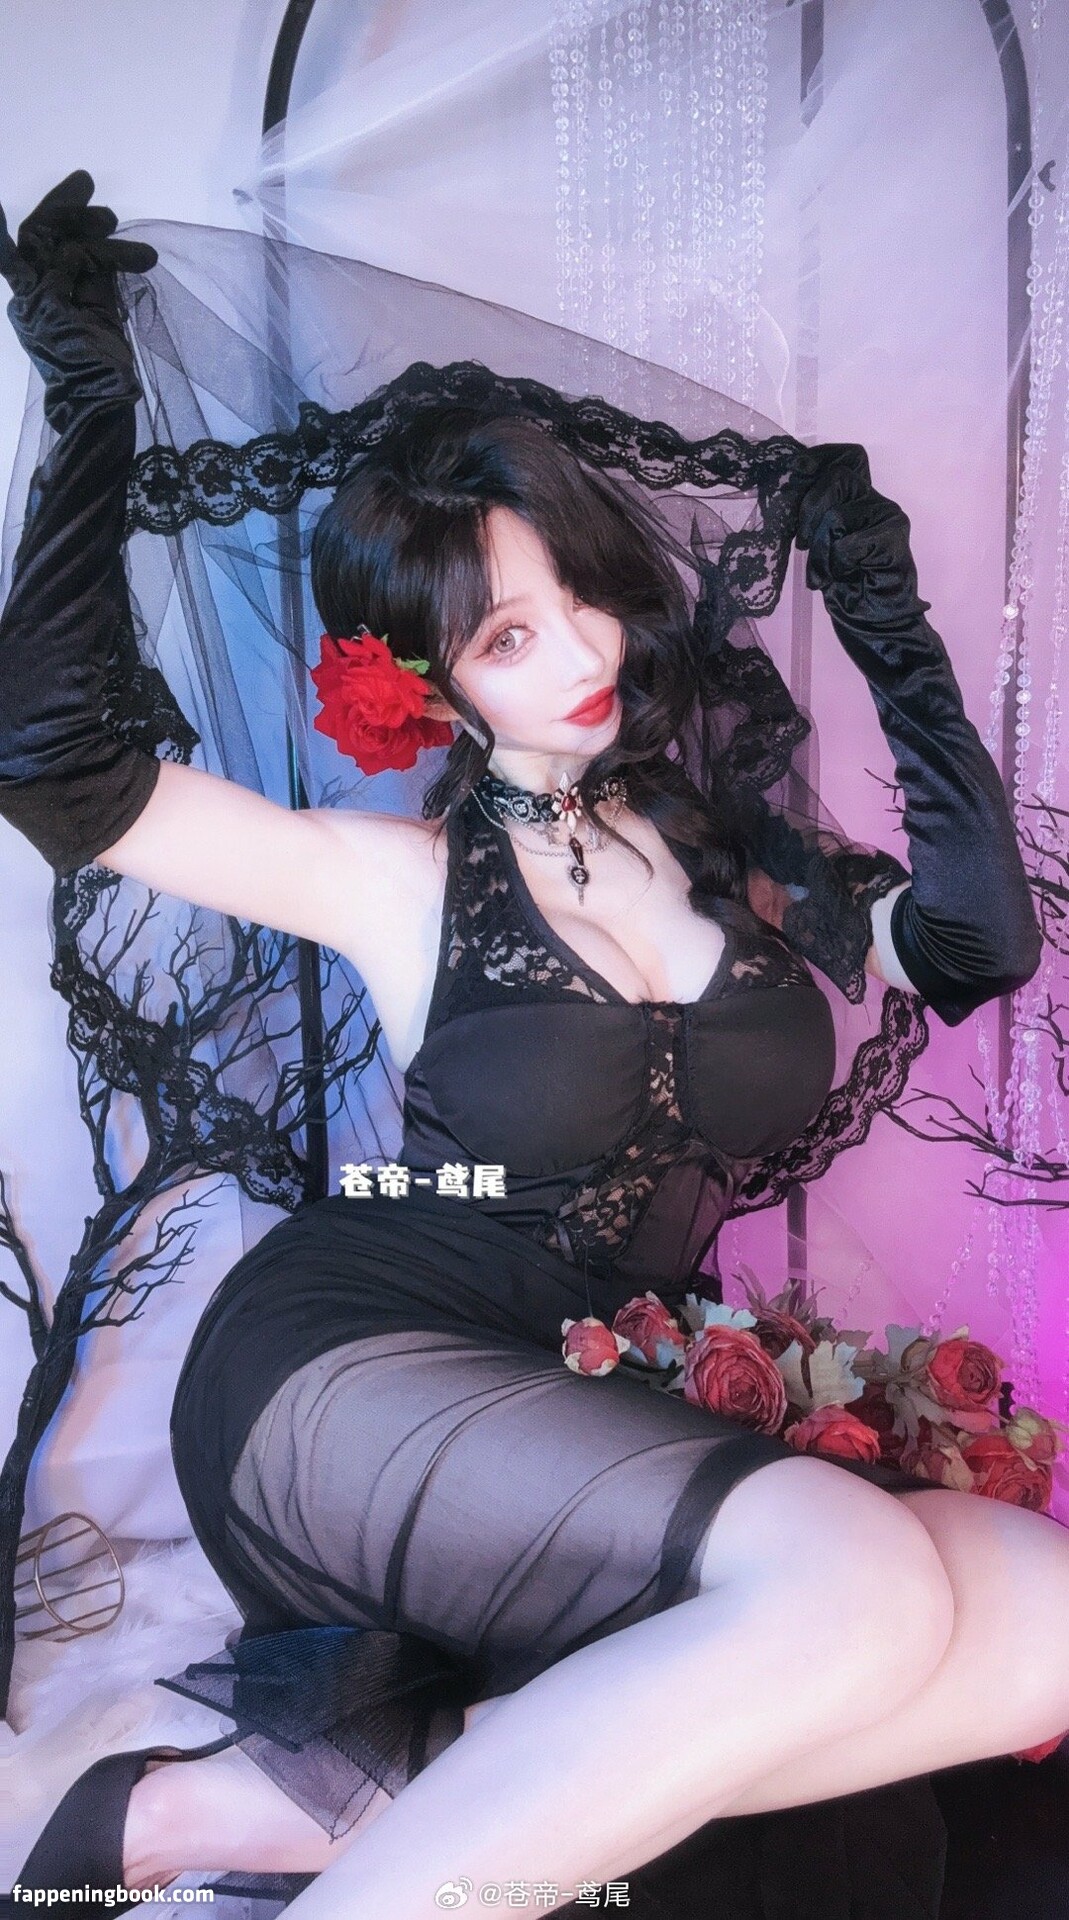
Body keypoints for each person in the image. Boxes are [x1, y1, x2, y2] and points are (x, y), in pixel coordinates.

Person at [2, 175, 1056, 1919]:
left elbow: (971, 946)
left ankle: (283, 1801)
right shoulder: (393, 879)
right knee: (858, 1589)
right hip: (343, 1372)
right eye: (505, 634)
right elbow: (55, 765)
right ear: (420, 679)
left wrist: (891, 628)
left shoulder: (739, 860)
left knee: (1040, 1617)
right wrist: (89, 404)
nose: (577, 654)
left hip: (568, 1395)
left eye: (582, 597)